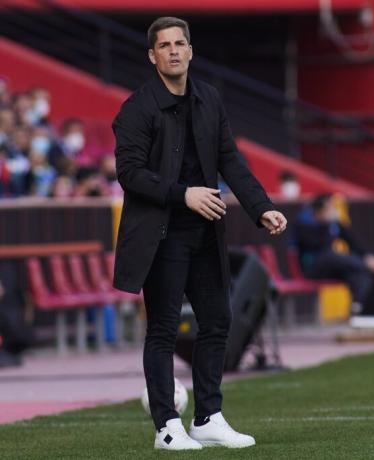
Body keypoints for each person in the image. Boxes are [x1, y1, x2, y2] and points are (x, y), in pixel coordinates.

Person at [112, 17, 287, 450]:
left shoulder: (209, 98)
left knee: (217, 322)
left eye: (180, 44)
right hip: (161, 232)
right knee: (164, 330)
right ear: (152, 56)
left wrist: (261, 207)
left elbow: (231, 159)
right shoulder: (137, 108)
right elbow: (129, 173)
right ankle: (167, 427)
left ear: (190, 51)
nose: (173, 51)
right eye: (164, 45)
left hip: (206, 232)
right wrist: (183, 194)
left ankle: (208, 417)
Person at [295, 193, 374, 308]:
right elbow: (316, 246)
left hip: (329, 267)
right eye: (330, 208)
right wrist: (326, 224)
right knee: (336, 257)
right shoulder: (304, 223)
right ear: (319, 211)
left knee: (355, 273)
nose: (333, 211)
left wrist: (367, 255)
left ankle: (361, 306)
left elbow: (352, 240)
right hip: (312, 267)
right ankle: (362, 265)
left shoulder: (333, 224)